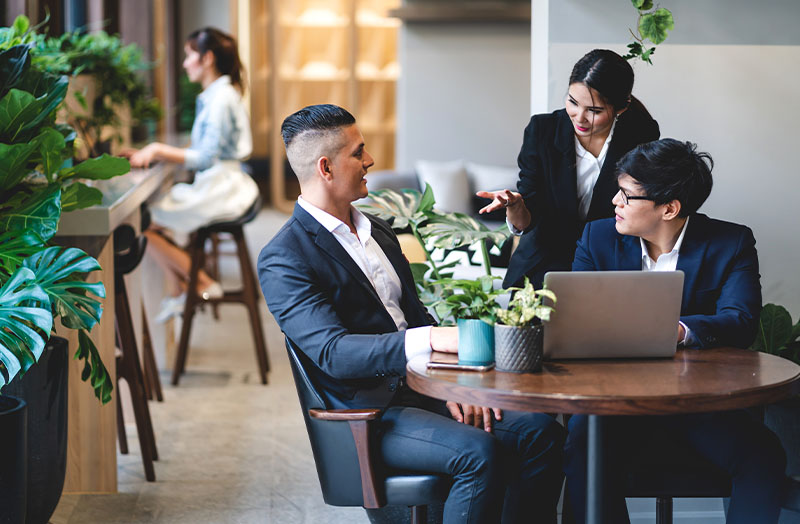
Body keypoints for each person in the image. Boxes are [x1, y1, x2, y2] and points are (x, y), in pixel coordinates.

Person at [258, 104, 566, 523]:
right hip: (369, 413)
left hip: (424, 391)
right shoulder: (284, 257)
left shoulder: (379, 232)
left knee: (541, 433)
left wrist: (455, 386)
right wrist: (433, 341)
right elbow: (334, 353)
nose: (369, 161)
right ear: (326, 167)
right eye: (358, 152)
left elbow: (416, 317)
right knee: (479, 453)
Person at [563, 139, 786, 523]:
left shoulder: (730, 243)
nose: (615, 202)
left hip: (697, 402)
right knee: (584, 442)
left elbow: (741, 321)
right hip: (615, 402)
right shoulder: (597, 238)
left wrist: (680, 330)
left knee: (763, 454)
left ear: (669, 208)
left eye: (627, 196)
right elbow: (575, 319)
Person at [477, 49, 660, 288]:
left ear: (621, 108)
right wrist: (516, 205)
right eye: (573, 102)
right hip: (543, 267)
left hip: (608, 264)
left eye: (594, 111)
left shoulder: (640, 135)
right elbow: (525, 221)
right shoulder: (542, 131)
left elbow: (638, 204)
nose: (579, 118)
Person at [124, 27, 258, 311]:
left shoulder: (220, 99)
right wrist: (151, 152)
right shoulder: (218, 95)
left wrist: (158, 150)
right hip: (223, 182)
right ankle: (182, 288)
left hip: (224, 186)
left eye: (189, 56)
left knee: (141, 223)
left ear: (207, 58)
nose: (185, 63)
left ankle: (200, 283)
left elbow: (206, 157)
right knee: (148, 222)